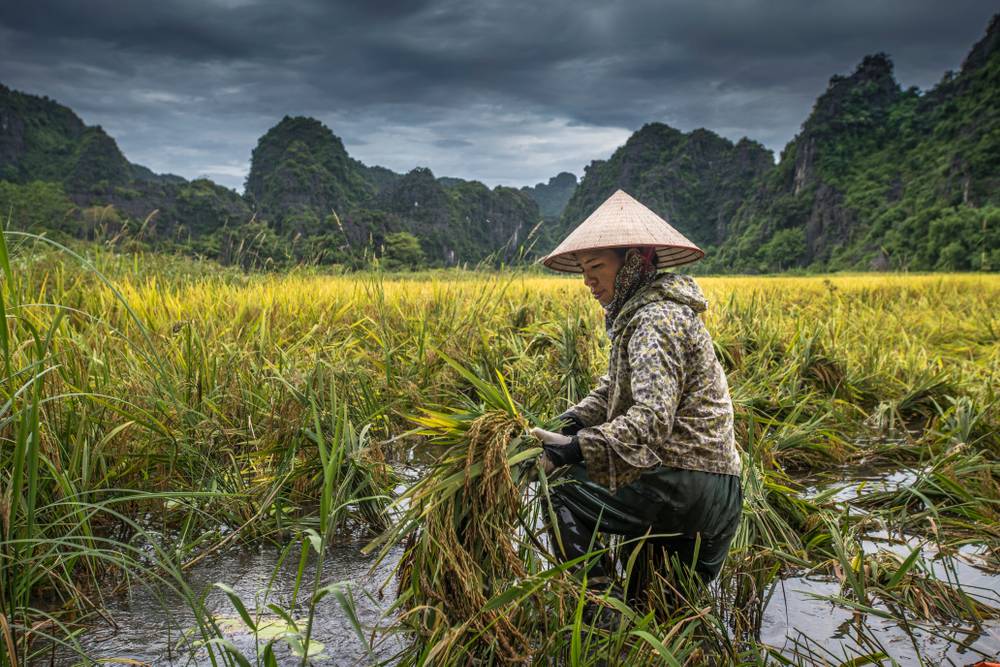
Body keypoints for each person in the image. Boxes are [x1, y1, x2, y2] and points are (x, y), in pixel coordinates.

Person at [531, 189, 743, 603]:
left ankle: (597, 607)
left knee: (562, 492)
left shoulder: (653, 320)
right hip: (714, 492)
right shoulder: (652, 311)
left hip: (682, 481)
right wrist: (570, 422)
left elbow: (651, 419)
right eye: (583, 270)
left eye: (597, 267)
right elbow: (615, 387)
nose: (588, 280)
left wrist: (574, 449)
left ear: (634, 263)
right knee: (659, 614)